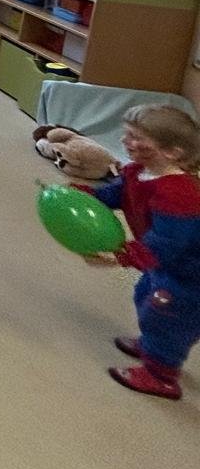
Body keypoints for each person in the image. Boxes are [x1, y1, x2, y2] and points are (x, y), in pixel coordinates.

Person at [79, 105, 200, 400]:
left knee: (166, 317)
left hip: (190, 277)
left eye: (136, 137)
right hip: (165, 267)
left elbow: (168, 243)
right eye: (126, 134)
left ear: (171, 152)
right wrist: (89, 198)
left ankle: (161, 376)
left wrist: (122, 255)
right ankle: (154, 345)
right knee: (144, 295)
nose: (125, 141)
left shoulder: (179, 194)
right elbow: (118, 194)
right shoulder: (137, 172)